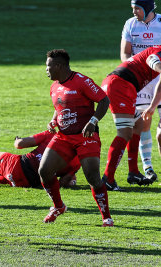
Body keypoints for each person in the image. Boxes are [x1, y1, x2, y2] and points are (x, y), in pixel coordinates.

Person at [39, 49, 113, 227]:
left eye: (48, 66)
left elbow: (104, 100)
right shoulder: (54, 86)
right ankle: (58, 206)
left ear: (59, 66)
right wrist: (54, 120)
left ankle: (106, 217)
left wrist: (93, 121)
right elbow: (60, 107)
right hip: (64, 136)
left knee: (92, 176)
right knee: (44, 170)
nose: (46, 70)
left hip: (85, 136)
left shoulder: (82, 81)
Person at [102, 45, 161, 190]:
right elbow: (151, 60)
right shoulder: (158, 50)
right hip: (120, 85)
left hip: (123, 85)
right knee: (125, 132)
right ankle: (107, 178)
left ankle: (133, 172)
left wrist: (152, 107)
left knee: (138, 124)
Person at [120, 0, 161, 184]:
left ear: (148, 8)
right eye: (133, 8)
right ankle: (147, 167)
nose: (134, 12)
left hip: (160, 77)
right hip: (142, 80)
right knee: (144, 122)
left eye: (138, 8)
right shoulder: (130, 24)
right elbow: (125, 53)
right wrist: (133, 71)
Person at [0, 132, 81, 188]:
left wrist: (17, 140)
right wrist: (72, 179)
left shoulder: (51, 134)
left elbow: (20, 144)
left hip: (16, 167)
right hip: (29, 184)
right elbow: (63, 183)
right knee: (8, 172)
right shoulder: (77, 160)